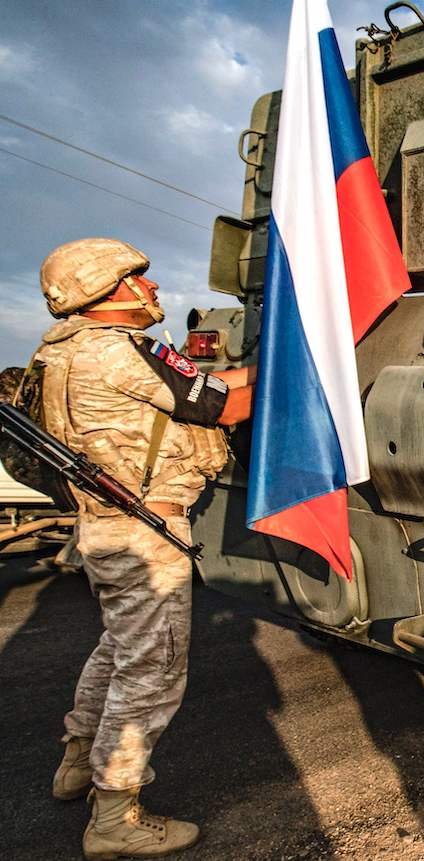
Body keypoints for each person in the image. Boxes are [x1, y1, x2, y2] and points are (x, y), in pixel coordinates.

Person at [33, 238, 254, 859]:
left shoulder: (70, 351)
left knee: (117, 652)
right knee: (153, 672)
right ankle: (114, 818)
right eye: (140, 278)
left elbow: (204, 386)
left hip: (108, 527)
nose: (152, 289)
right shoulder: (119, 353)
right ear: (109, 289)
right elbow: (227, 406)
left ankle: (78, 762)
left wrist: (270, 364)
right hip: (142, 532)